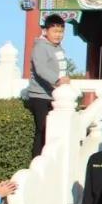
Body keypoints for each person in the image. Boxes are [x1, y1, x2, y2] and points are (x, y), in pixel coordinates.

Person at [26, 14, 70, 157]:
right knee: (43, 130)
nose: (58, 35)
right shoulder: (40, 47)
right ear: (45, 31)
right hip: (40, 96)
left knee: (54, 131)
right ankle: (37, 161)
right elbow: (41, 69)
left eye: (61, 31)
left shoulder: (58, 48)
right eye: (55, 31)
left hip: (54, 96)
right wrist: (57, 81)